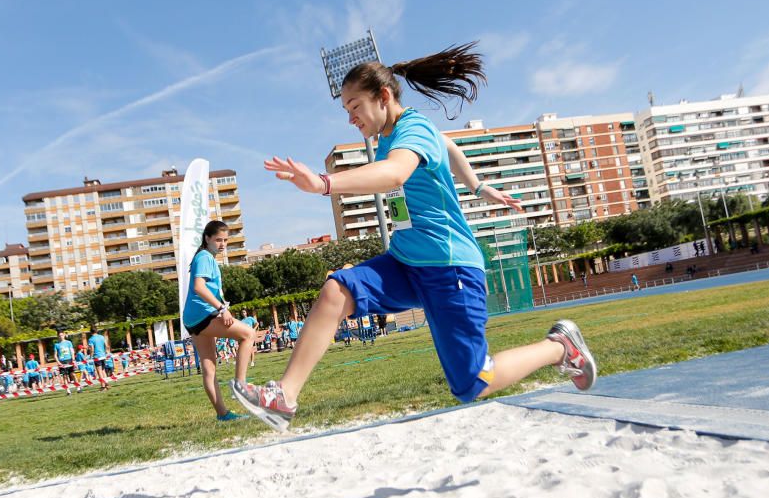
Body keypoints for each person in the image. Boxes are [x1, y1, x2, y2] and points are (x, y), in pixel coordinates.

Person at [233, 43, 596, 432]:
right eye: (346, 111)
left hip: (448, 265)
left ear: (383, 96)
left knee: (473, 383)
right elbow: (449, 144)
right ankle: (284, 397)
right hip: (407, 261)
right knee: (336, 290)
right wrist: (476, 185)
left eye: (355, 107)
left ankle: (560, 346)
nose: (351, 118)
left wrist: (324, 183)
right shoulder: (396, 135)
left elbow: (394, 175)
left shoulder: (412, 129)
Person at [181, 220, 253, 422]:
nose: (222, 244)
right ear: (207, 238)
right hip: (203, 315)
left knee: (209, 366)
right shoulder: (205, 257)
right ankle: (240, 384)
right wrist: (222, 309)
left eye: (226, 240)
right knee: (248, 334)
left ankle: (223, 415)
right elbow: (199, 287)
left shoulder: (204, 257)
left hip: (192, 318)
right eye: (218, 240)